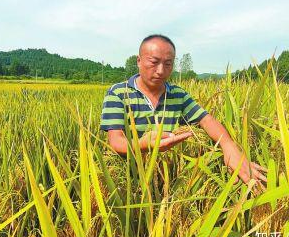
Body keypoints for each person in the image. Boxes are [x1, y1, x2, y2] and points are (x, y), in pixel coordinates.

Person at [100, 34, 267, 186]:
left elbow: (206, 119)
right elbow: (116, 142)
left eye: (168, 64)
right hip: (130, 183)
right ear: (139, 61)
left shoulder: (177, 94)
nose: (161, 71)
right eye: (153, 62)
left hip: (168, 181)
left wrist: (228, 145)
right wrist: (144, 145)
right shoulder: (118, 93)